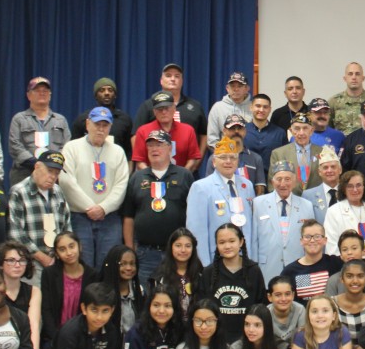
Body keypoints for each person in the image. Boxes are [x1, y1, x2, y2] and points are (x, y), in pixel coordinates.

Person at [59, 106, 130, 270]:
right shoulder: (71, 147)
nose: (101, 129)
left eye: (105, 125)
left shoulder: (118, 151)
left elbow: (121, 184)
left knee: (109, 265)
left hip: (110, 219)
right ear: (87, 124)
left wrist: (103, 208)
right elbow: (66, 180)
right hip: (80, 217)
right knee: (82, 265)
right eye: (97, 124)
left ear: (110, 128)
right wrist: (90, 207)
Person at [121, 129, 193, 286]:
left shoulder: (184, 176)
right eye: (151, 145)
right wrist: (129, 249)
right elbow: (128, 216)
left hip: (177, 253)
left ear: (170, 149)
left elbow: (193, 215)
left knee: (177, 298)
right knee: (147, 299)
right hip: (145, 253)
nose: (154, 149)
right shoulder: (137, 178)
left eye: (159, 144)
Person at [187, 137, 257, 267]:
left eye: (232, 157)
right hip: (216, 261)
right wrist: (204, 266)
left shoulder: (247, 185)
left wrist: (252, 260)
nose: (228, 161)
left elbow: (251, 226)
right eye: (223, 157)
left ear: (238, 161)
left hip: (244, 260)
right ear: (214, 161)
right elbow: (197, 231)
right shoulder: (201, 187)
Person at [250, 161, 320, 285]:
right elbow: (253, 239)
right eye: (279, 179)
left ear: (294, 182)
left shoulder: (306, 205)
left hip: (300, 268)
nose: (283, 184)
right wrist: (253, 265)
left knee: (299, 301)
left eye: (287, 179)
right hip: (267, 268)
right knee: (269, 301)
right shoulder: (258, 203)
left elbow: (310, 240)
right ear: (272, 182)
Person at [200, 223, 266, 346]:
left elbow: (261, 306)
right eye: (222, 242)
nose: (227, 246)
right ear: (217, 245)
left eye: (232, 241)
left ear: (241, 242)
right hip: (217, 340)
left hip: (247, 339)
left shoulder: (254, 271)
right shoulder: (209, 272)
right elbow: (202, 308)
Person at [7, 150, 71, 272]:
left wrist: (63, 252)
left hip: (58, 261)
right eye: (49, 171)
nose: (52, 177)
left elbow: (66, 225)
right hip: (31, 263)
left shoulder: (58, 191)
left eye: (56, 173)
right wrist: (42, 258)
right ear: (37, 167)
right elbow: (15, 234)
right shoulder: (19, 192)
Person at [40, 231, 97, 349]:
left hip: (82, 339)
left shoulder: (92, 275)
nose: (69, 253)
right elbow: (46, 309)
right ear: (56, 253)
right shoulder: (49, 274)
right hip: (53, 337)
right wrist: (56, 338)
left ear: (79, 246)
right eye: (62, 249)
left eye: (72, 246)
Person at [7, 76, 71, 187]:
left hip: (53, 174)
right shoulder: (19, 119)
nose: (42, 93)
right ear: (28, 95)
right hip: (24, 173)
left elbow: (66, 146)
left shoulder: (60, 120)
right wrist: (36, 163)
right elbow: (15, 146)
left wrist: (51, 164)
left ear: (50, 95)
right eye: (37, 90)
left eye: (45, 91)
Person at [0, 241, 42, 349]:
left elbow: (33, 324)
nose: (17, 265)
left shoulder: (34, 291)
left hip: (25, 346)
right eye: (11, 260)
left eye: (22, 260)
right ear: (1, 264)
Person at [131, 63, 208, 151]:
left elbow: (203, 136)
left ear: (182, 81)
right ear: (161, 80)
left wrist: (196, 162)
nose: (172, 79)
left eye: (177, 76)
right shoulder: (148, 105)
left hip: (188, 163)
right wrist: (144, 161)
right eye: (168, 76)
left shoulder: (195, 106)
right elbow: (136, 136)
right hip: (155, 162)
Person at [133, 91, 203, 172]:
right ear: (154, 111)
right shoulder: (143, 131)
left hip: (181, 182)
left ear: (174, 109)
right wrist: (152, 177)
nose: (164, 112)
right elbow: (140, 161)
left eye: (167, 108)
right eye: (160, 109)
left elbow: (192, 159)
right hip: (152, 181)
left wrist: (182, 176)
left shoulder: (188, 130)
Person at [150, 228, 207, 323]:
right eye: (178, 246)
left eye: (188, 246)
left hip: (196, 326)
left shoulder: (201, 273)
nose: (183, 250)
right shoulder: (159, 276)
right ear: (171, 247)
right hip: (169, 325)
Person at [71, 77, 134, 160]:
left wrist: (128, 172)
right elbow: (75, 148)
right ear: (96, 95)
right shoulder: (83, 119)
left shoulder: (125, 120)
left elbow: (129, 152)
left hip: (116, 166)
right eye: (102, 90)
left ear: (115, 95)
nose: (106, 93)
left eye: (110, 90)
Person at [203, 114, 268, 195]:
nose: (236, 131)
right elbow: (209, 186)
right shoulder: (215, 158)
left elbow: (260, 189)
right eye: (232, 128)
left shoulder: (256, 158)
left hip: (247, 203)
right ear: (224, 131)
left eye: (240, 128)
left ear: (245, 131)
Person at [281, 220, 343, 303]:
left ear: (325, 240)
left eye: (317, 236)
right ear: (301, 241)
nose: (312, 240)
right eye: (307, 237)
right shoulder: (289, 271)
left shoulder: (336, 263)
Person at [323, 169, 365, 256]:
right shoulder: (333, 211)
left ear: (364, 187)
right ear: (343, 189)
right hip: (346, 266)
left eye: (359, 185)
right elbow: (332, 246)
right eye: (350, 186)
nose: (355, 190)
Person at [268, 112, 323, 195]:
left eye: (305, 128)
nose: (301, 133)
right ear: (291, 131)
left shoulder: (322, 152)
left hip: (317, 200)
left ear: (311, 131)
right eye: (297, 128)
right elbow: (272, 183)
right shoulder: (278, 153)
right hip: (289, 200)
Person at [96, 244, 145, 336]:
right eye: (123, 264)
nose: (129, 268)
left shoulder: (140, 292)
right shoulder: (101, 294)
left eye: (132, 263)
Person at [329, 61, 365, 136]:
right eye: (350, 74)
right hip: (342, 145)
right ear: (345, 78)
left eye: (357, 74)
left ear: (363, 78)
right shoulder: (334, 102)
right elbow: (327, 129)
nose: (354, 77)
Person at [205, 71, 254, 150]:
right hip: (224, 156)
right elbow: (212, 140)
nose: (236, 89)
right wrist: (226, 154)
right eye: (232, 86)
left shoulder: (254, 107)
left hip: (249, 155)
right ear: (227, 88)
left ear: (247, 88)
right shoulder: (217, 108)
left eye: (240, 86)